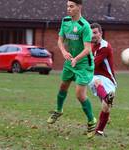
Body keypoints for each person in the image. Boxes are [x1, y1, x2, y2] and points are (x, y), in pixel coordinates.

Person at [47, 0, 96, 138]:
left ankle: (91, 121)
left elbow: (88, 49)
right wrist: (63, 52)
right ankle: (58, 110)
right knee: (63, 86)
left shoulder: (84, 26)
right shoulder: (65, 21)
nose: (68, 9)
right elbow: (60, 40)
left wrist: (76, 59)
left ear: (79, 7)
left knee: (80, 95)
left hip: (83, 64)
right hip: (70, 61)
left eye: (71, 6)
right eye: (67, 6)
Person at [89, 23, 117, 136]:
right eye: (91, 33)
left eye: (95, 33)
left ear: (100, 33)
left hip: (108, 79)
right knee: (96, 81)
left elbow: (93, 64)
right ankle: (106, 97)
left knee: (106, 108)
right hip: (94, 76)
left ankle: (99, 131)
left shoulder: (104, 47)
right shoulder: (90, 46)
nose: (93, 35)